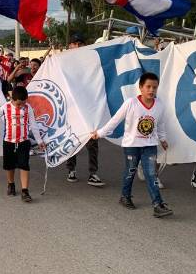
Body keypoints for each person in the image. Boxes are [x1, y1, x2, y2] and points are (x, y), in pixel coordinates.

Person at [91, 72, 172, 218]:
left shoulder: (159, 105)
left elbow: (160, 124)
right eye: (148, 86)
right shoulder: (131, 103)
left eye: (155, 87)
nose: (151, 90)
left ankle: (157, 205)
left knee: (151, 174)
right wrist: (100, 133)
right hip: (132, 145)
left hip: (149, 145)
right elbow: (115, 120)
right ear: (141, 87)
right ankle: (125, 196)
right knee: (130, 172)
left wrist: (163, 139)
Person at [0, 85, 45, 202]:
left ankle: (25, 191)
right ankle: (11, 184)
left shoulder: (28, 108)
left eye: (23, 103)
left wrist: (39, 141)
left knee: (24, 165)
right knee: (9, 166)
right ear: (12, 100)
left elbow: (34, 125)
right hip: (9, 142)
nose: (21, 106)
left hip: (23, 142)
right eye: (19, 104)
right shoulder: (5, 107)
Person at [64, 33, 104, 187]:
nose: (78, 46)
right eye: (75, 43)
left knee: (93, 142)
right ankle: (71, 170)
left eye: (80, 43)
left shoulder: (90, 61)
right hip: (73, 110)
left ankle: (93, 173)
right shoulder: (64, 62)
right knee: (73, 140)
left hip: (89, 109)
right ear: (70, 46)